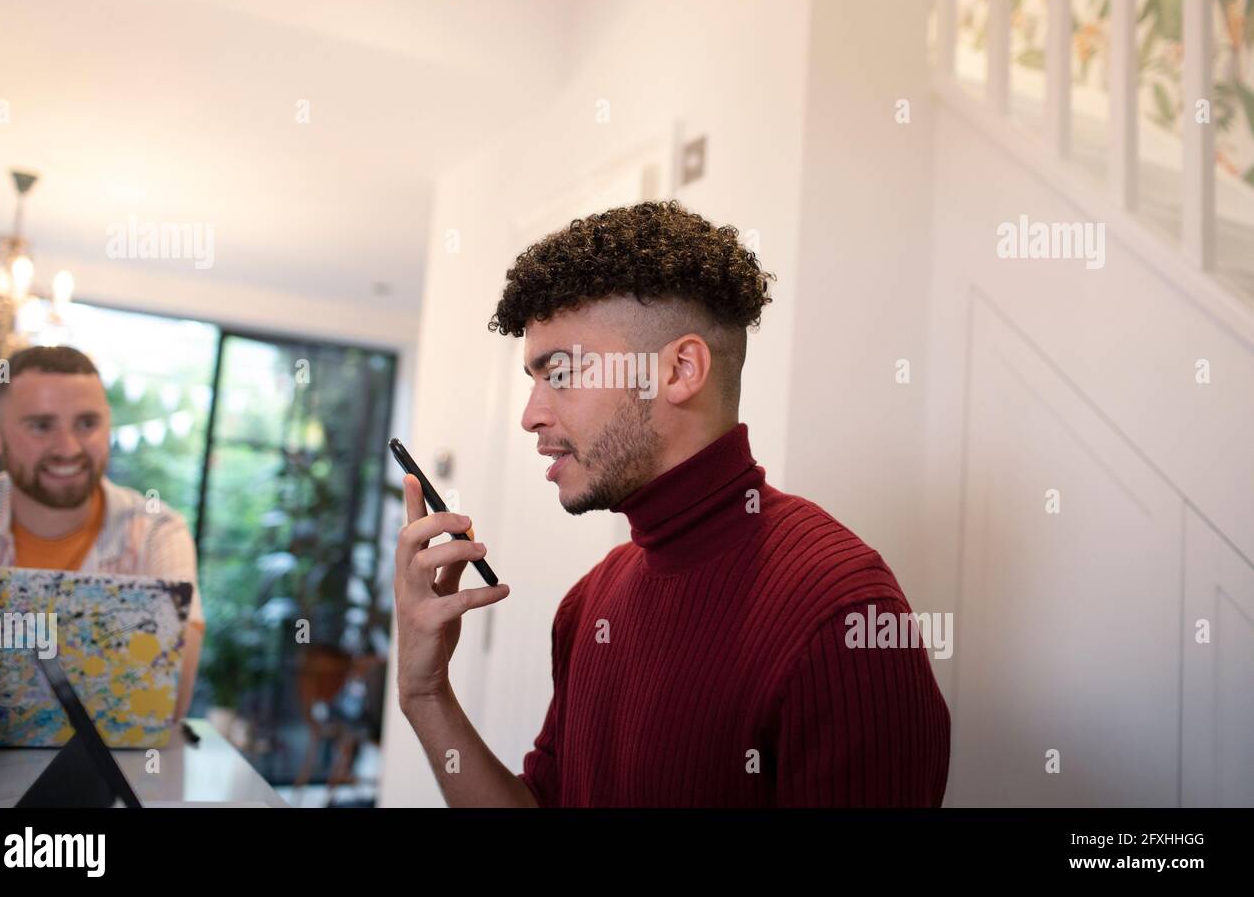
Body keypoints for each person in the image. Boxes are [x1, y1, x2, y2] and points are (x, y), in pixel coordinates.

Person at [394, 200, 951, 806]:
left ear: (680, 370)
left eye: (560, 372)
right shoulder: (589, 605)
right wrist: (424, 694)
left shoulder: (843, 618)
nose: (531, 415)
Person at [0, 345, 204, 720]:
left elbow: (168, 700)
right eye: (41, 426)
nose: (68, 448)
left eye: (87, 424)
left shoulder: (157, 532)